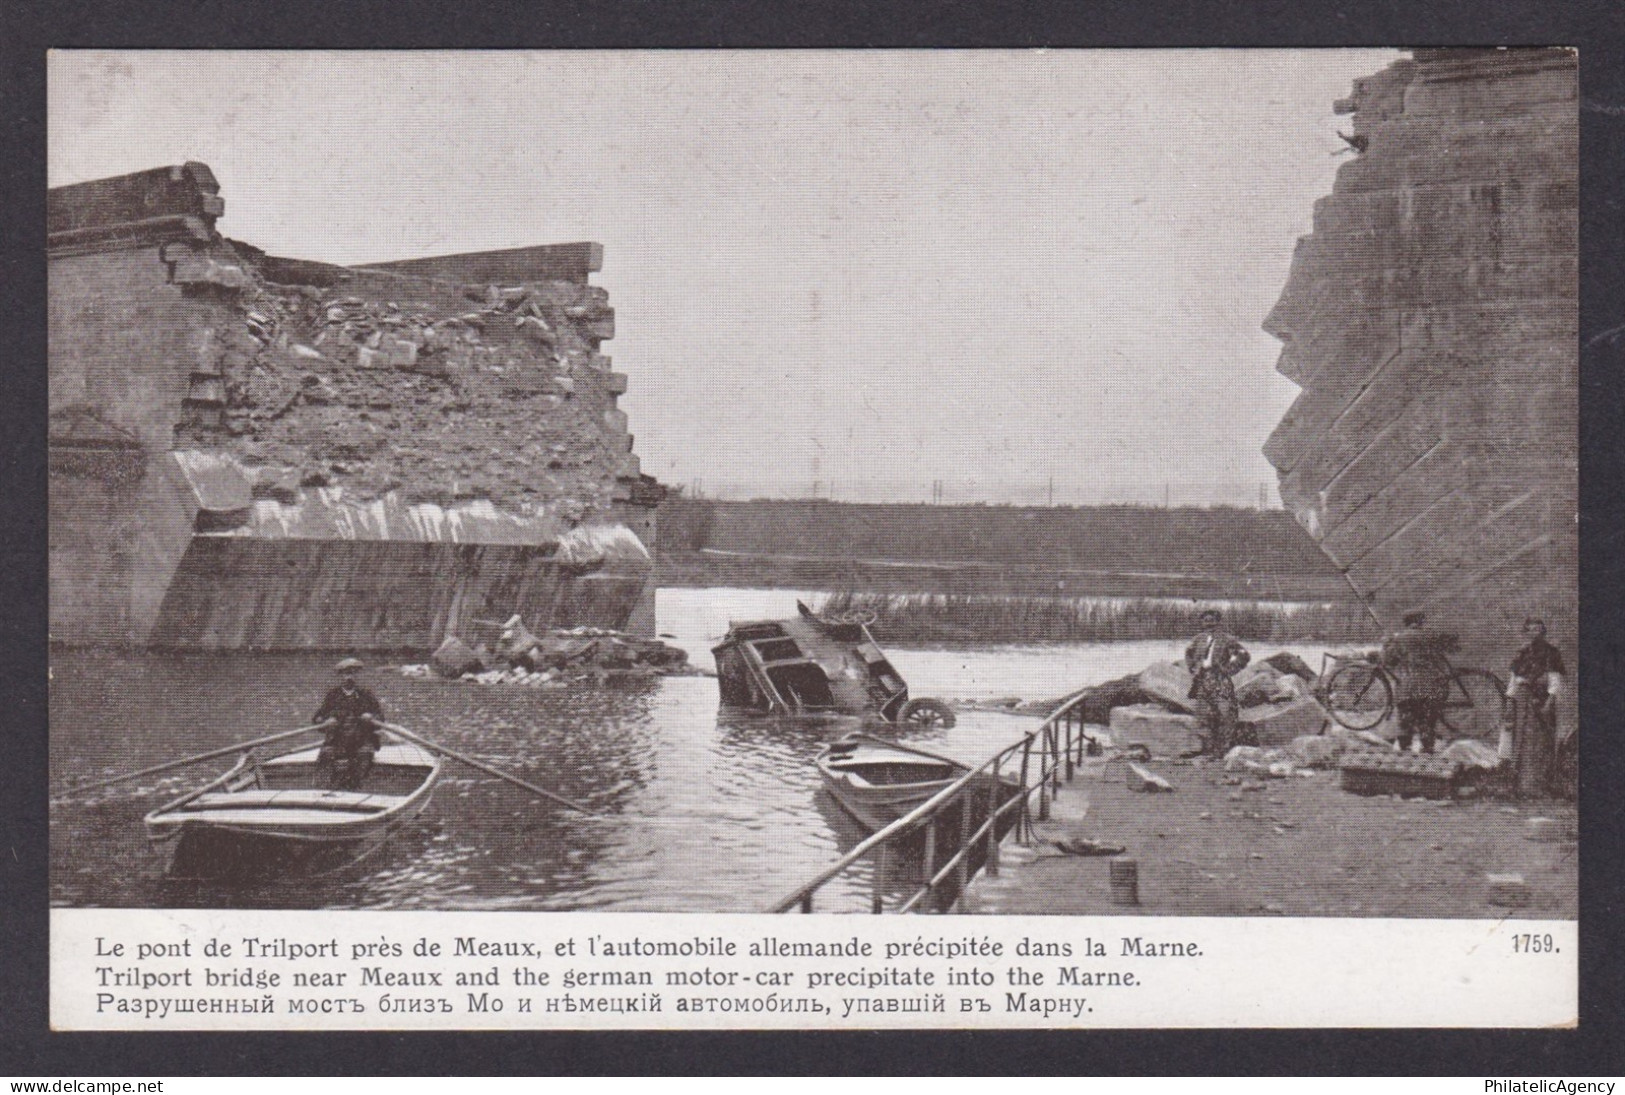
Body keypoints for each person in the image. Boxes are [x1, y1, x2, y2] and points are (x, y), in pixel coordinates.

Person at [1504, 618, 1567, 797]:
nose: (1535, 634)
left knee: (1541, 741)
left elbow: (1555, 682)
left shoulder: (1552, 653)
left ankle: (1540, 787)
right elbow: (1513, 682)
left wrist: (1549, 703)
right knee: (1520, 741)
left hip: (1542, 700)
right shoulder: (1522, 653)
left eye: (1539, 630)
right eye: (1531, 630)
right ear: (1526, 633)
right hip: (1522, 701)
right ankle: (1520, 787)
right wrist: (1510, 703)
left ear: (1543, 632)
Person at [1380, 610, 1453, 755]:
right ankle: (1428, 755)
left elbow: (1388, 661)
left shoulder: (1400, 639)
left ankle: (1405, 756)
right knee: (1427, 726)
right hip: (1433, 687)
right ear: (1421, 622)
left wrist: (1386, 644)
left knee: (1405, 727)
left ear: (1406, 623)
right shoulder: (1432, 635)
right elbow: (1451, 648)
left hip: (1408, 688)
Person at [1184, 608, 1252, 757]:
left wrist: (1229, 670)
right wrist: (1193, 668)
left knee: (1225, 713)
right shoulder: (1198, 639)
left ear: (1218, 622)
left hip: (1220, 680)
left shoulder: (1227, 639)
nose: (1209, 624)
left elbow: (1244, 655)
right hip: (1202, 680)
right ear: (1202, 623)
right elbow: (1188, 653)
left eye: (1212, 621)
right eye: (1206, 621)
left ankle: (1223, 750)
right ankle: (1207, 749)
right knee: (1203, 714)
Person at [313, 657, 383, 791]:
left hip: (362, 741)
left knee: (364, 755)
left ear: (358, 675)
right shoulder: (332, 696)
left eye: (353, 673)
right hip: (337, 742)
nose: (350, 677)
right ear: (340, 676)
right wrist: (326, 722)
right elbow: (317, 719)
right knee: (326, 754)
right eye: (346, 674)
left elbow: (380, 719)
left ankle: (356, 790)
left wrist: (372, 717)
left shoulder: (366, 695)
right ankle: (324, 790)